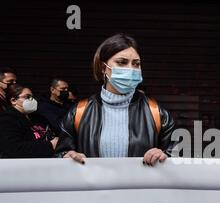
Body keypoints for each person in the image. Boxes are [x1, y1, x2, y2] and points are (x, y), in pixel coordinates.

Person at [55, 33, 176, 166]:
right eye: (122, 62)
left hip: (140, 186)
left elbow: (177, 158)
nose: (130, 69)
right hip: (95, 186)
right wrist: (67, 157)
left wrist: (163, 156)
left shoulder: (157, 113)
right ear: (103, 68)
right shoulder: (78, 112)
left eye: (136, 64)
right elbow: (61, 154)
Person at [0, 84, 58, 158]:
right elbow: (14, 148)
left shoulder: (37, 118)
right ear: (13, 100)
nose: (32, 100)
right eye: (27, 97)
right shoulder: (6, 120)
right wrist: (50, 145)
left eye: (32, 97)